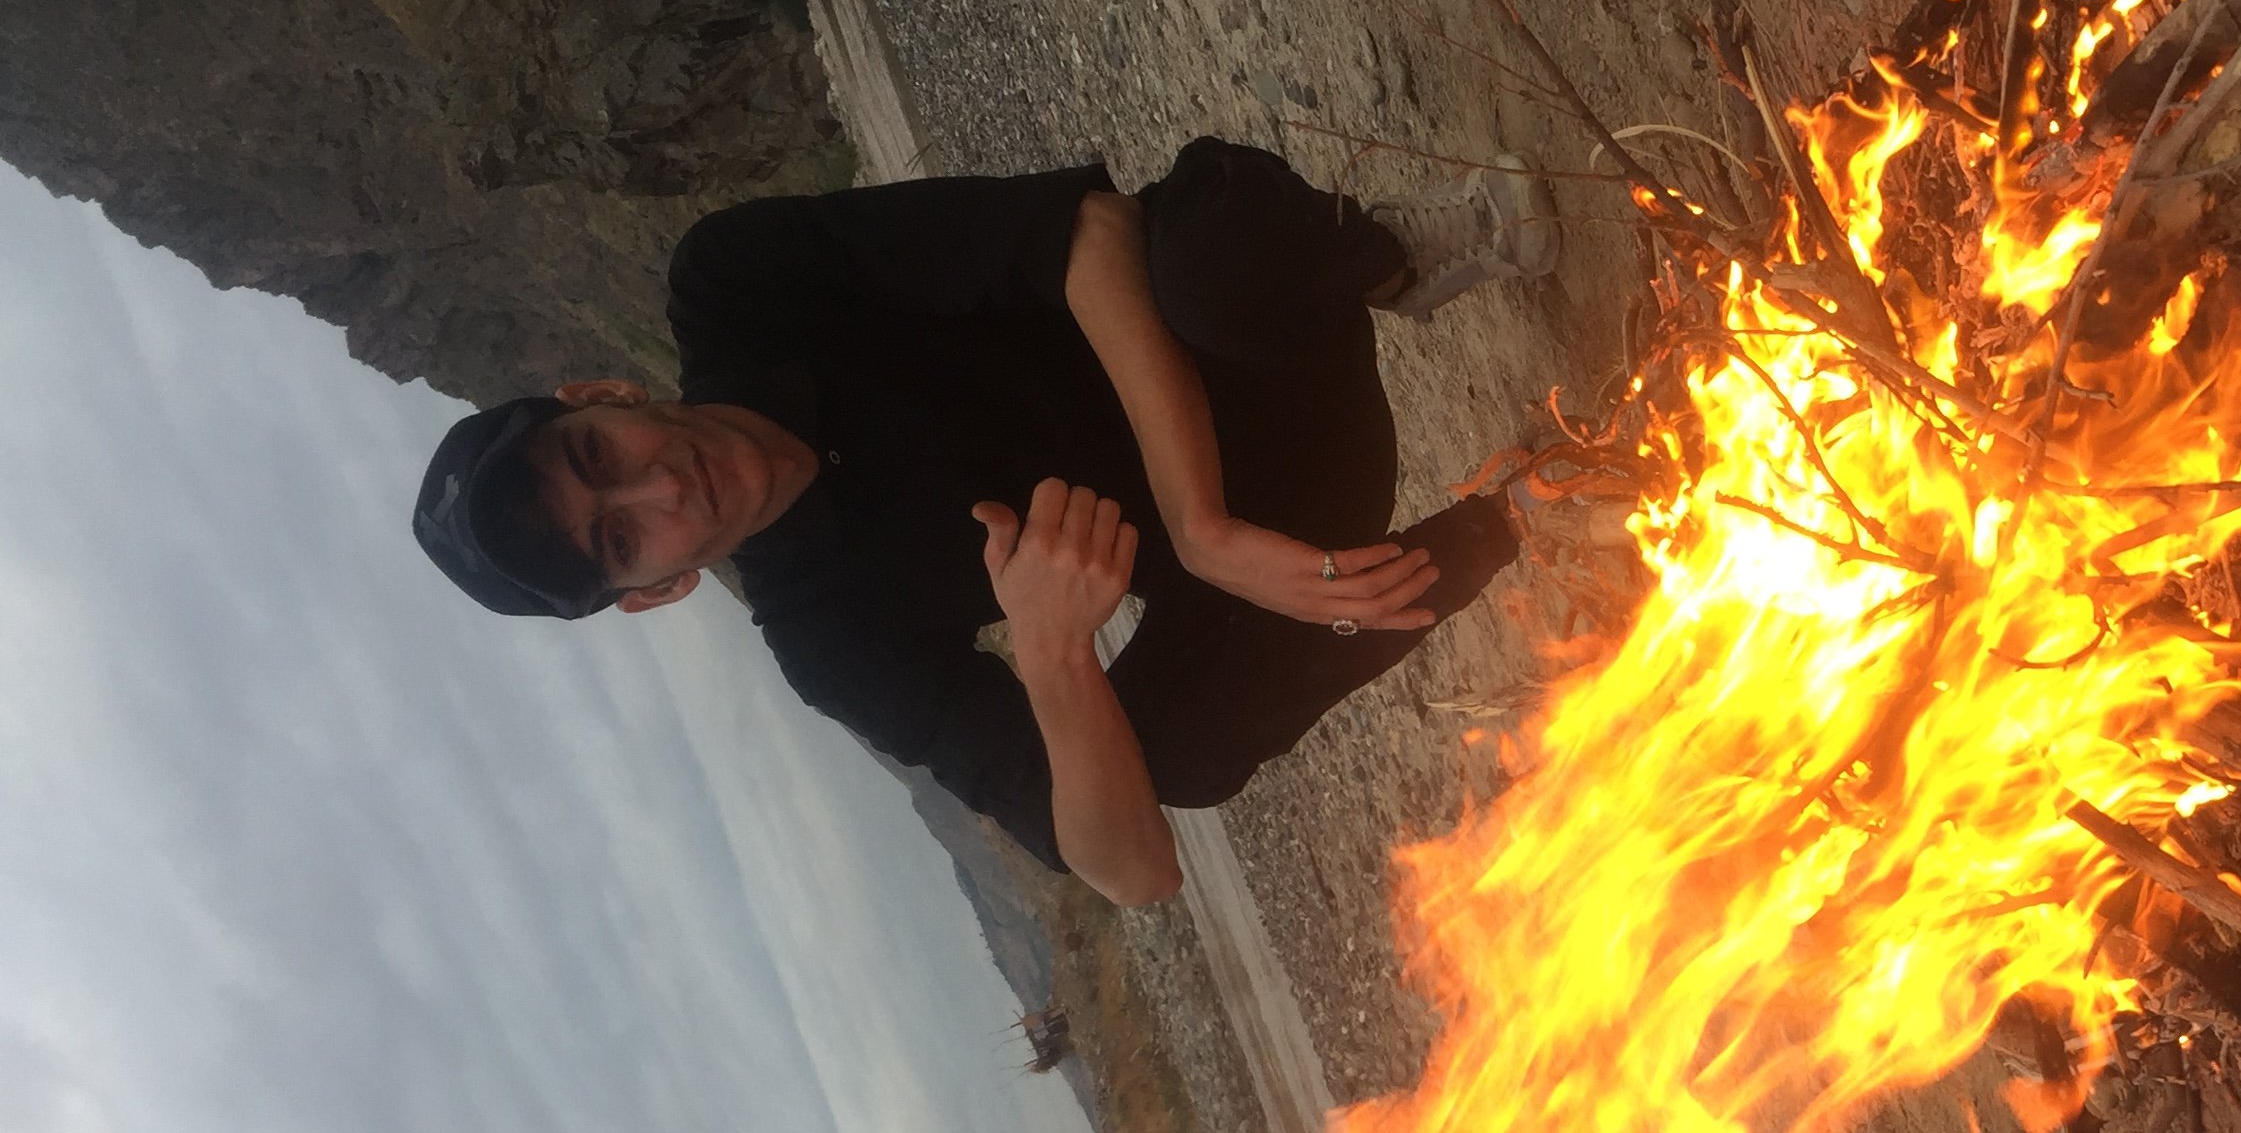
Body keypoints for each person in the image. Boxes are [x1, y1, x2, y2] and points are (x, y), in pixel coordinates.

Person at [409, 139, 1560, 904]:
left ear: (600, 395)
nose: (660, 491)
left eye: (598, 457)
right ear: (656, 590)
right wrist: (1057, 657)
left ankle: (1393, 256)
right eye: (622, 542)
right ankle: (1531, 512)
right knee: (1160, 756)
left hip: (1258, 332)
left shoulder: (737, 284)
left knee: (1206, 245)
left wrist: (1198, 526)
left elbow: (1087, 231)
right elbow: (1130, 872)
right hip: (1305, 536)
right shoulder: (828, 637)